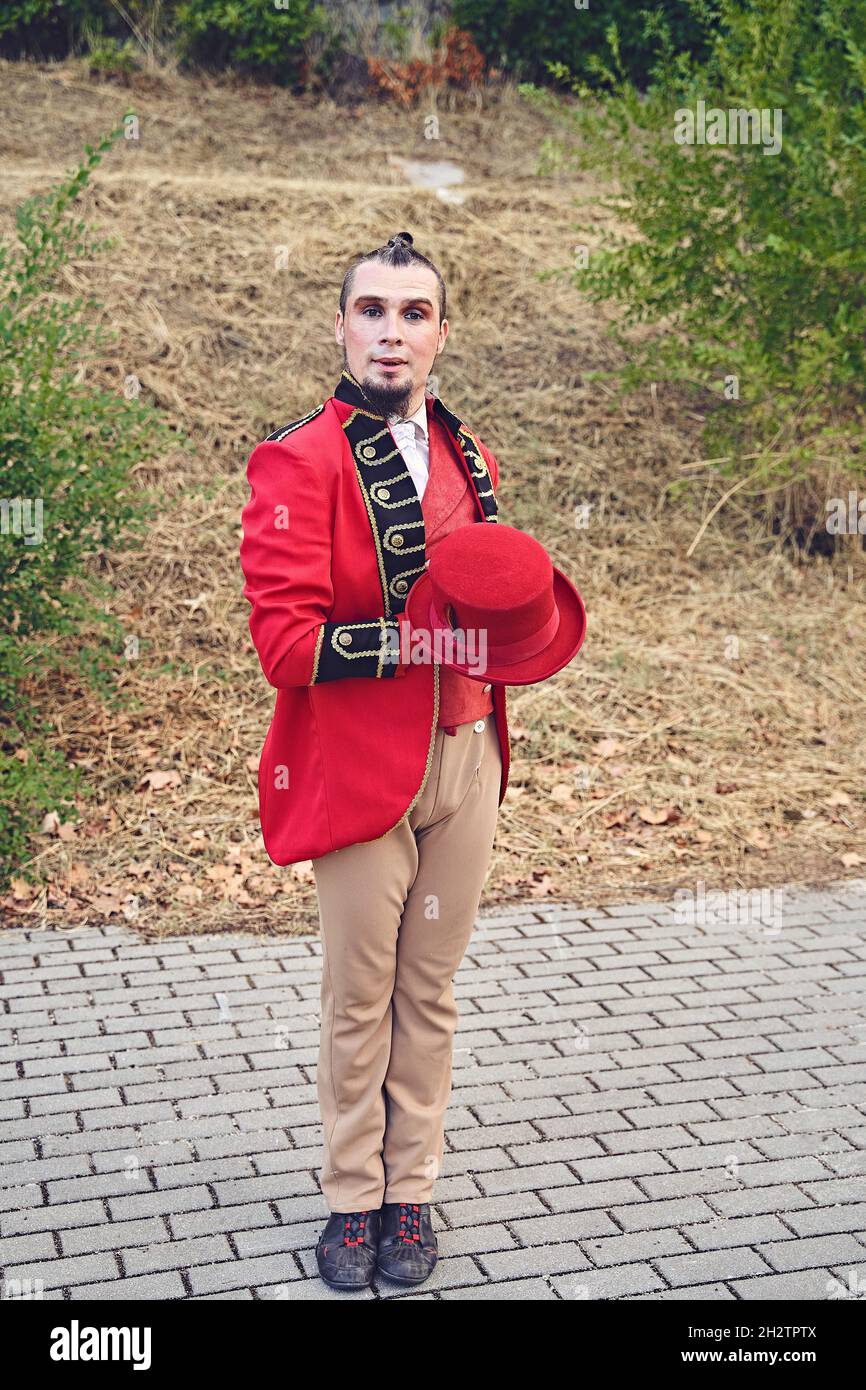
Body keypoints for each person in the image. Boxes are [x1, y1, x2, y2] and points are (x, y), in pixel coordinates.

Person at [240, 231, 510, 1291]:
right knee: (358, 998)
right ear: (338, 324)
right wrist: (418, 641)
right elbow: (284, 645)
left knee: (428, 992)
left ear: (442, 332)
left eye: (412, 313)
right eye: (371, 310)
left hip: (467, 755)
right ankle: (351, 1200)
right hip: (358, 772)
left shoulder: (473, 453)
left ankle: (413, 1191)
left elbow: (495, 595)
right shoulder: (294, 459)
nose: (390, 332)